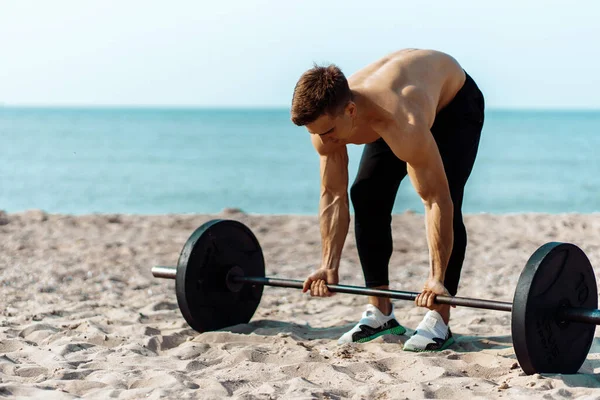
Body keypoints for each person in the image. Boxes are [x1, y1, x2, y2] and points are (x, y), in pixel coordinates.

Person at [290, 49, 485, 351]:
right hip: (389, 108)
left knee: (448, 193)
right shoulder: (325, 123)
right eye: (316, 133)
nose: (323, 140)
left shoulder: (401, 119)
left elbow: (435, 201)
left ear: (350, 111)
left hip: (454, 106)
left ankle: (440, 318)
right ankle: (381, 313)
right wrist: (328, 265)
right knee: (365, 194)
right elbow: (333, 194)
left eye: (328, 132)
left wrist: (436, 278)